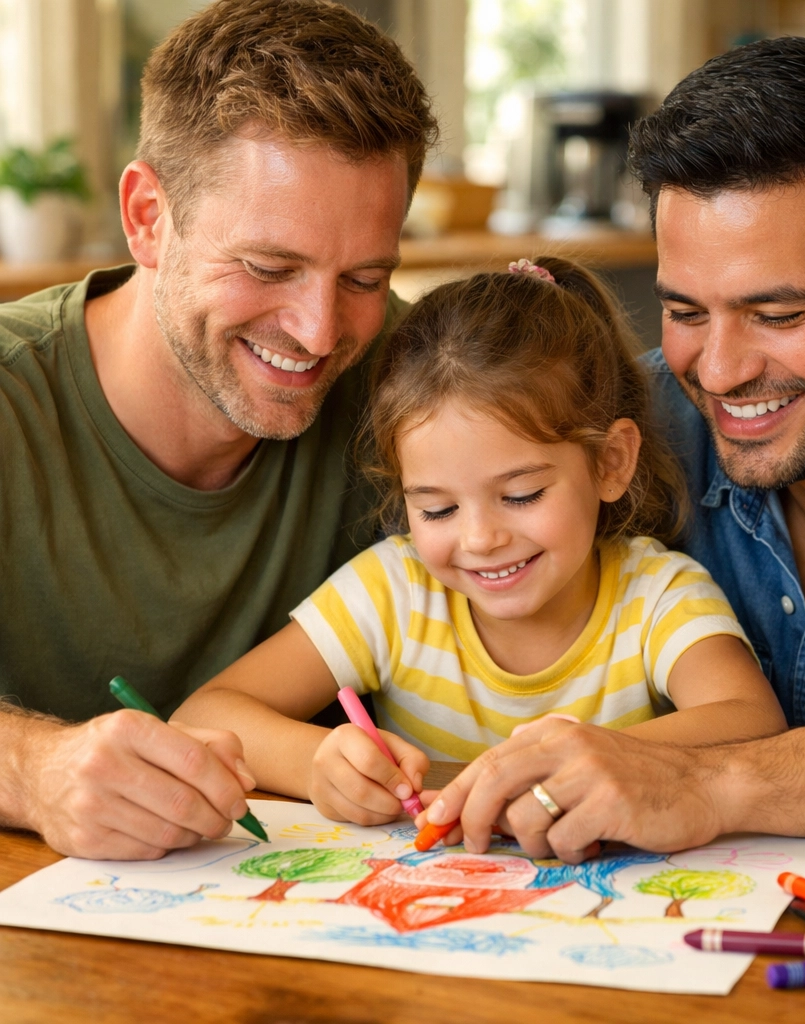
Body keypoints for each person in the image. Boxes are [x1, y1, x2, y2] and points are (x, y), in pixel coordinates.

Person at [416, 37, 805, 862]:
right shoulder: (617, 432)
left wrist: (708, 782)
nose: (720, 372)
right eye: (687, 312)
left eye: (777, 315)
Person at [0, 0, 436, 859]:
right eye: (269, 267)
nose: (318, 333)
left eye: (365, 277)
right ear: (147, 218)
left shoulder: (416, 381)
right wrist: (31, 768)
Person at [173, 257, 786, 826]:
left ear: (611, 462)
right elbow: (204, 714)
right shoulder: (396, 590)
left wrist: (597, 754)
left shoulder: (656, 595)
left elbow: (754, 725)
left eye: (521, 496)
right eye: (436, 508)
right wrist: (315, 761)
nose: (482, 539)